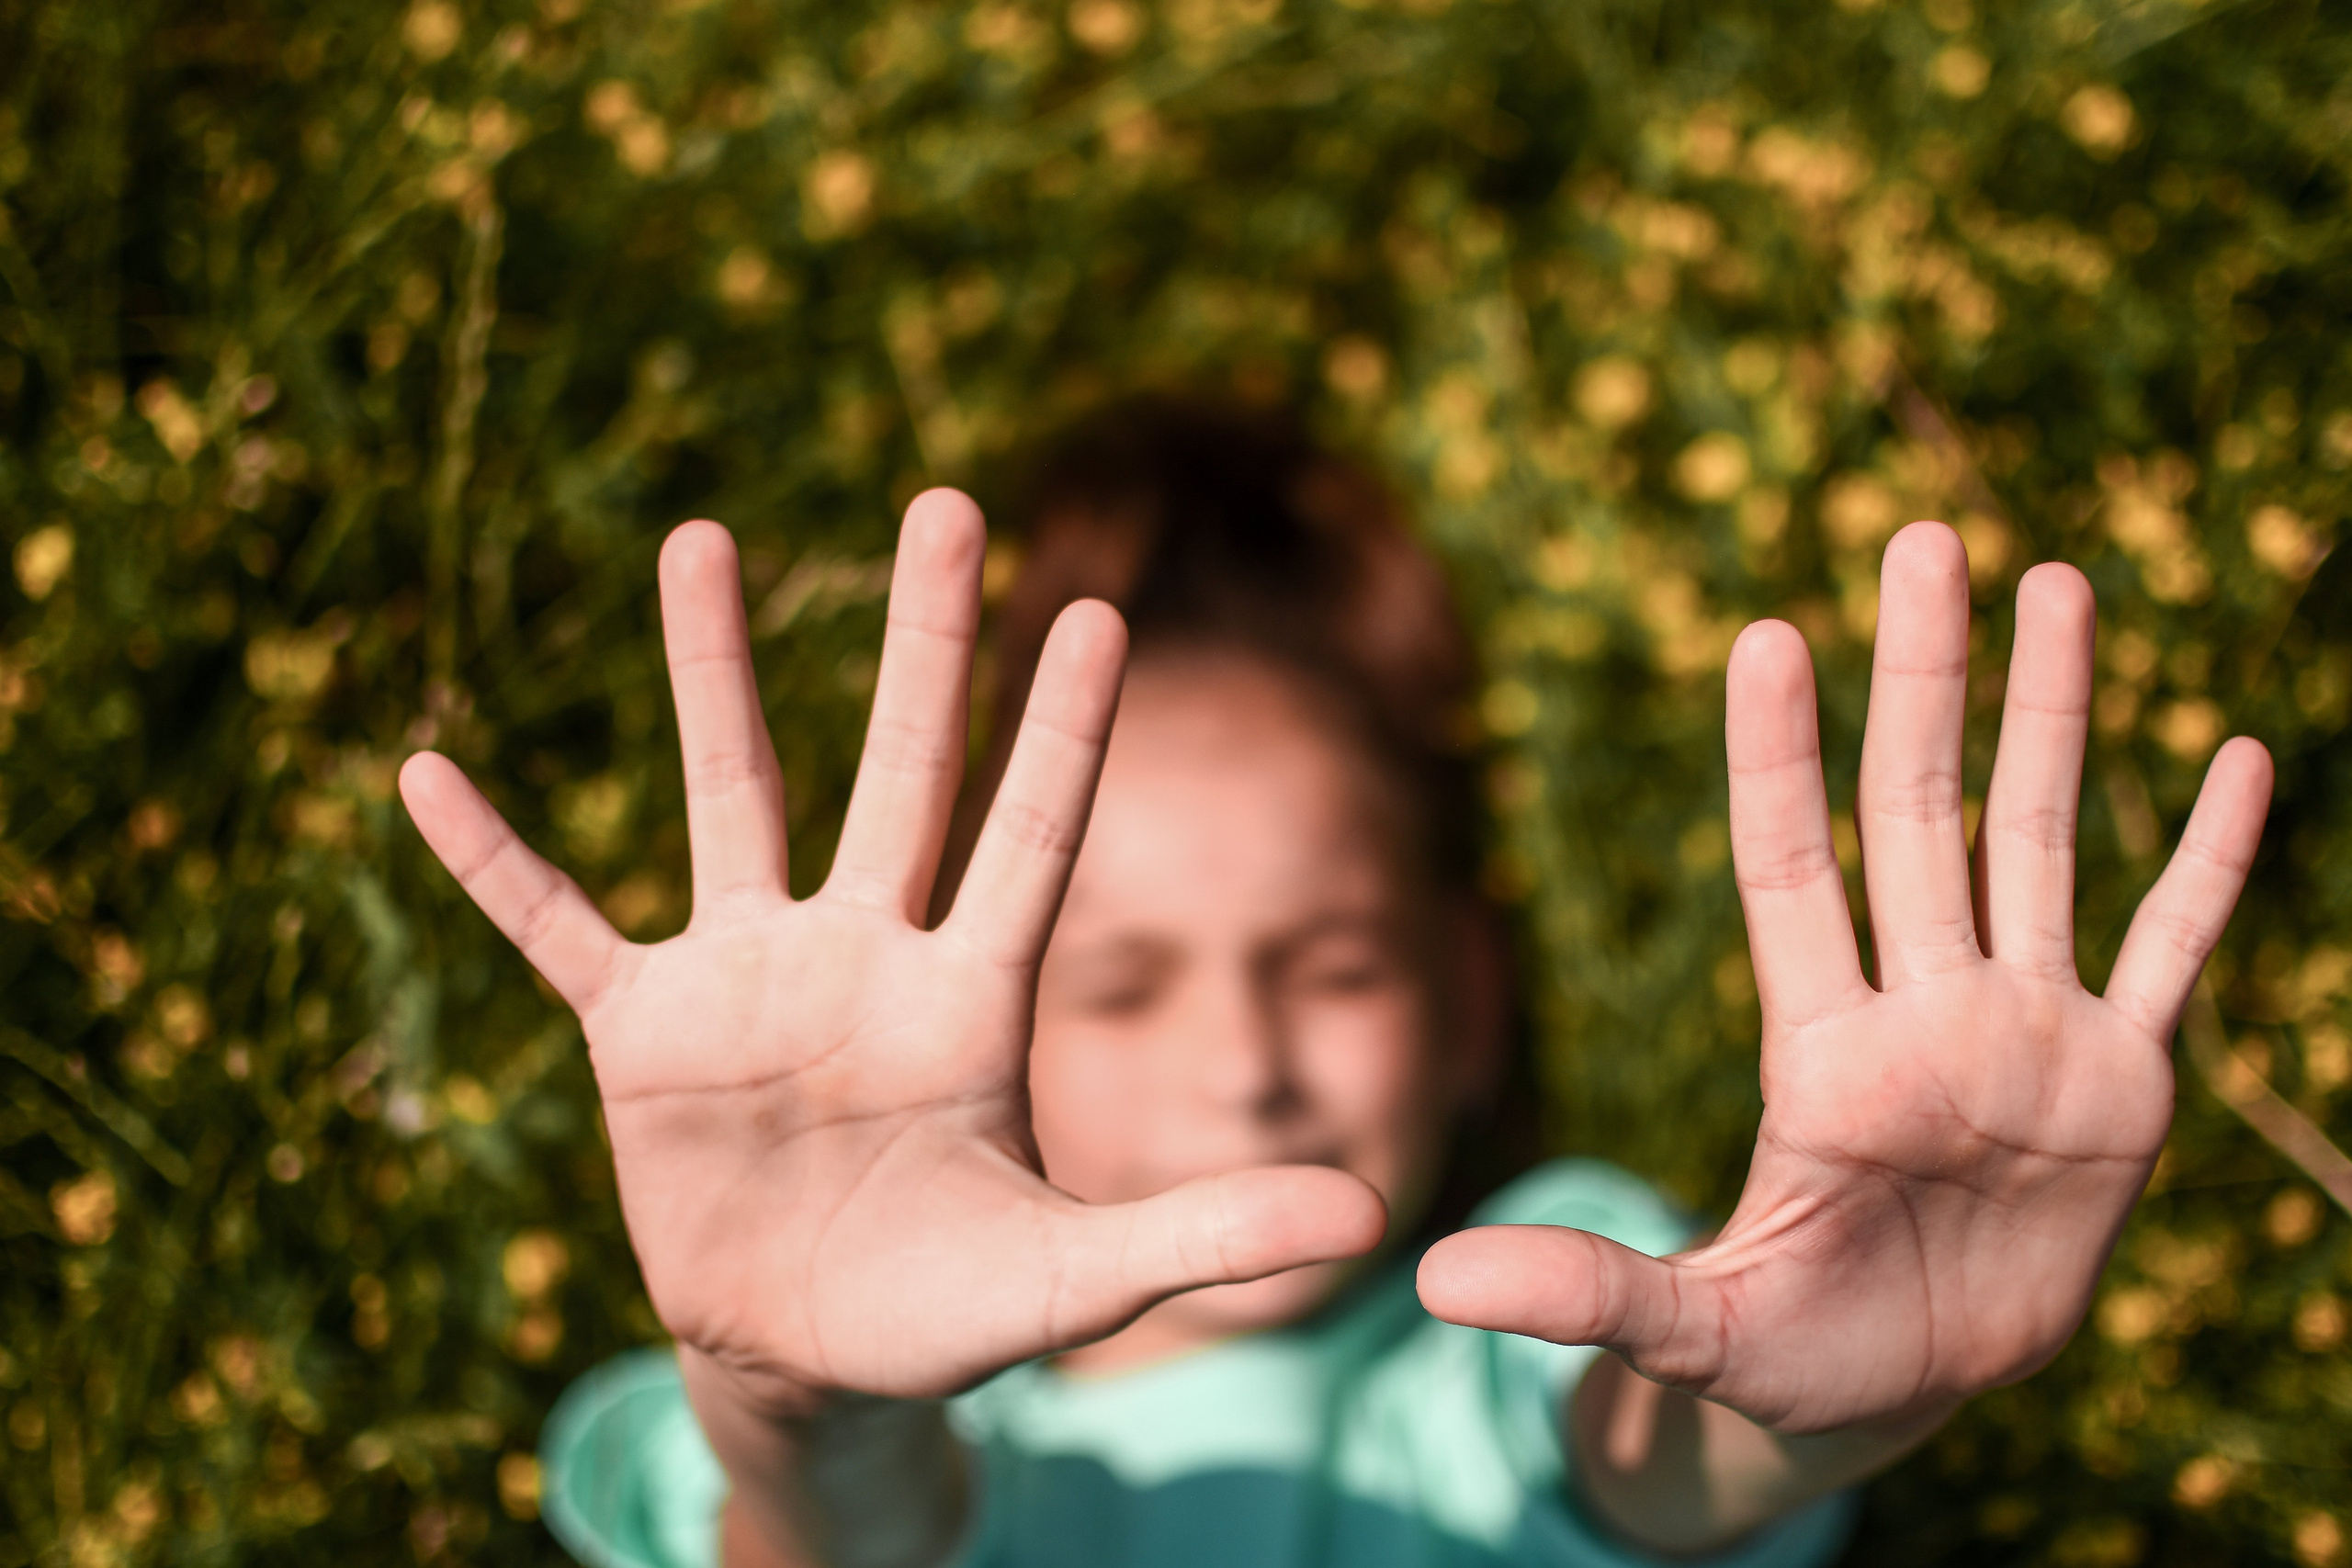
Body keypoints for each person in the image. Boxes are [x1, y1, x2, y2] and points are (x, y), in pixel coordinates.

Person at [398, 400, 2273, 1568]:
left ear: (1468, 991)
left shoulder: (1518, 1325)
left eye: (1338, 963)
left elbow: (1648, 1466)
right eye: (1119, 981)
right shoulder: (947, 1442)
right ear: (967, 1023)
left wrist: (1817, 1398)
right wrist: (797, 1399)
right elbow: (853, 1537)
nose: (1245, 1058)